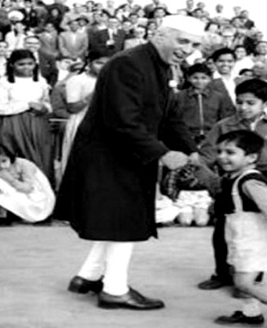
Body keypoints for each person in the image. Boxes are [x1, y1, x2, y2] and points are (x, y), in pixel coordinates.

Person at [54, 15, 204, 310]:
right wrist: (163, 153)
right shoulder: (128, 63)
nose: (187, 49)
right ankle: (115, 290)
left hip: (128, 155)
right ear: (160, 35)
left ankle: (87, 277)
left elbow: (170, 117)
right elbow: (122, 122)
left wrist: (190, 150)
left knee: (116, 219)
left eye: (194, 44)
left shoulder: (162, 66)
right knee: (125, 221)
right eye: (182, 40)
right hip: (108, 156)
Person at [197, 130, 267, 328]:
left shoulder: (250, 182)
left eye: (230, 152)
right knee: (241, 275)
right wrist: (200, 170)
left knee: (244, 282)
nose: (222, 156)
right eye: (220, 151)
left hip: (255, 239)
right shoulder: (232, 178)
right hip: (239, 236)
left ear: (251, 157)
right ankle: (250, 313)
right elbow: (219, 190)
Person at [197, 78, 267, 291]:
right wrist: (208, 177)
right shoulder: (224, 126)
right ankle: (222, 273)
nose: (243, 107)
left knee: (258, 230)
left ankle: (253, 279)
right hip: (229, 180)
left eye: (250, 103)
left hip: (261, 180)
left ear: (265, 104)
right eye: (239, 102)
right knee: (223, 229)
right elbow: (208, 154)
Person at [0, 49, 54, 183]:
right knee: (17, 158)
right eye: (21, 64)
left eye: (30, 63)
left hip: (37, 123)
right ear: (12, 65)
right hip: (14, 125)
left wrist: (43, 108)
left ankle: (41, 191)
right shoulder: (4, 82)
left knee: (41, 157)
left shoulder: (40, 81)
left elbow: (47, 103)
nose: (26, 67)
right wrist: (27, 104)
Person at [0, 144, 55, 226]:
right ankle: (6, 217)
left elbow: (28, 188)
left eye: (4, 161)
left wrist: (9, 179)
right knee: (2, 193)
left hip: (37, 195)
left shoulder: (24, 164)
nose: (1, 166)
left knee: (6, 192)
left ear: (10, 157)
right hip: (17, 194)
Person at [61, 51, 109, 172]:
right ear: (89, 62)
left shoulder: (113, 80)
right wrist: (92, 96)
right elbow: (72, 108)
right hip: (81, 122)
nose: (103, 67)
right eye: (99, 63)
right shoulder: (76, 80)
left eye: (107, 64)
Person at [174, 63, 235, 146]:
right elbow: (175, 117)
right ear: (188, 78)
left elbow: (224, 117)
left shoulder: (218, 97)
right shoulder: (179, 96)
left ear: (210, 79)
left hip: (211, 137)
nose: (199, 81)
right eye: (195, 78)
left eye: (204, 78)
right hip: (187, 137)